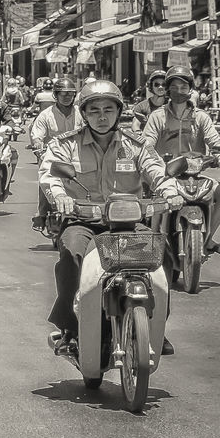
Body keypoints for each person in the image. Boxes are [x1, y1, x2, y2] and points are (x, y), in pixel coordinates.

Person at [39, 81, 182, 356]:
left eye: (108, 109)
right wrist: (60, 195)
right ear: (84, 113)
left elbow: (157, 172)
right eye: (94, 111)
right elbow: (50, 175)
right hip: (83, 221)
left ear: (119, 112)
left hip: (129, 222)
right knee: (71, 254)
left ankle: (156, 328)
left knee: (161, 255)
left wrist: (170, 192)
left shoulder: (135, 145)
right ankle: (70, 329)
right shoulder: (66, 144)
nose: (101, 117)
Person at [141, 66, 220, 257]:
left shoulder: (201, 117)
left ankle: (207, 239)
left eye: (183, 87)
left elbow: (215, 141)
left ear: (190, 89)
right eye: (174, 87)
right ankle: (154, 245)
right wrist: (152, 158)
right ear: (168, 90)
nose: (179, 92)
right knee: (155, 205)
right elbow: (147, 143)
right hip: (166, 176)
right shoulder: (157, 116)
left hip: (194, 175)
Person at [29, 75, 80, 229]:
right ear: (55, 95)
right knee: (45, 180)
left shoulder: (81, 113)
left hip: (77, 156)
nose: (67, 97)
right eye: (63, 94)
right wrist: (38, 147)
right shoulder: (45, 115)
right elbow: (37, 135)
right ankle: (42, 213)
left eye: (70, 94)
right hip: (52, 156)